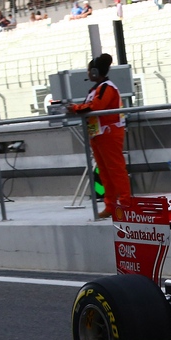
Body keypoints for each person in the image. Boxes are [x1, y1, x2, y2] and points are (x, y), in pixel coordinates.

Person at [68, 54, 129, 220]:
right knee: (104, 173)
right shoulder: (97, 89)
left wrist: (75, 108)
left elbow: (95, 106)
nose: (87, 73)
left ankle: (124, 205)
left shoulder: (106, 88)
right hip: (98, 134)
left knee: (116, 171)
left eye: (89, 70)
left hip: (109, 133)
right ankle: (110, 205)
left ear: (95, 72)